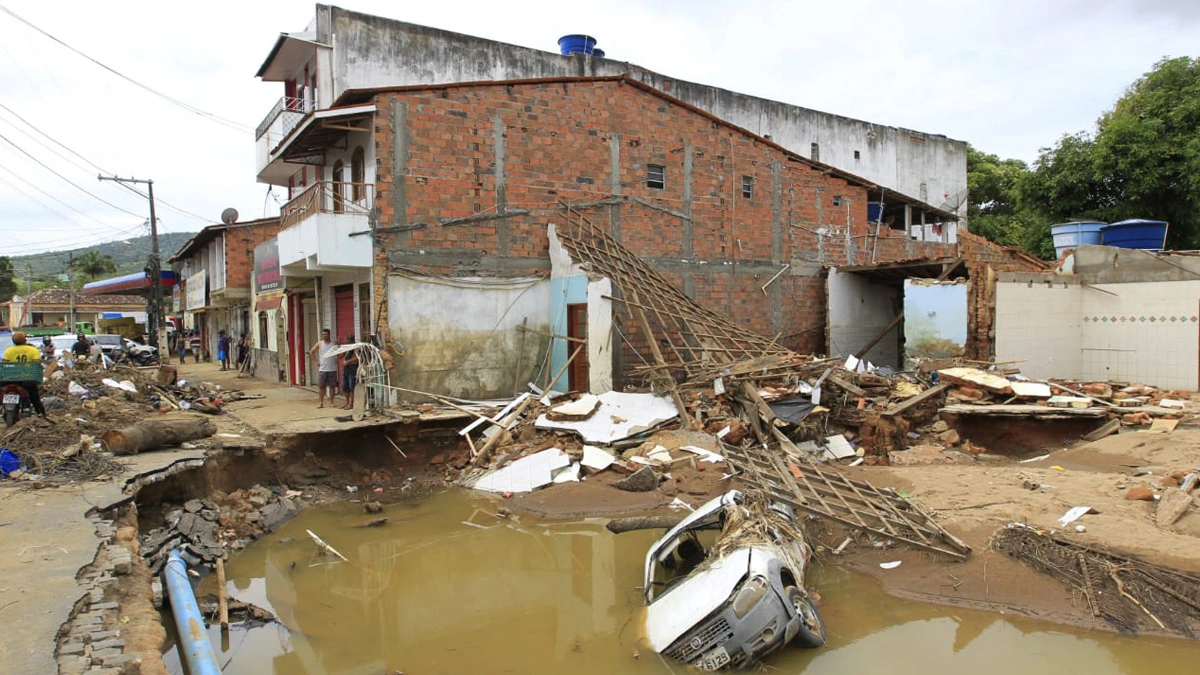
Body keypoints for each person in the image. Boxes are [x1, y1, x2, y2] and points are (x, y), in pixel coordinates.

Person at [2, 332, 48, 418]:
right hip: (27, 379)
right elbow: (37, 363)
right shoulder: (33, 350)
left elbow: (5, 363)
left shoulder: (9, 350)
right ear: (25, 340)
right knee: (35, 398)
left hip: (11, 378)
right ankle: (40, 414)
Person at [308, 329, 337, 408]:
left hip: (332, 368)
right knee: (321, 386)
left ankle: (331, 402)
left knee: (332, 386)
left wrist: (338, 358)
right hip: (323, 369)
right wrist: (316, 361)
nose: (325, 336)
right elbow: (311, 351)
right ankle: (321, 402)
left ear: (329, 335)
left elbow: (341, 350)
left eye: (326, 334)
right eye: (323, 334)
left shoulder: (333, 343)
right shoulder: (320, 344)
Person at [340, 334, 359, 410]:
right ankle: (347, 402)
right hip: (346, 369)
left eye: (348, 341)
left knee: (352, 386)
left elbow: (357, 358)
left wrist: (348, 362)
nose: (347, 342)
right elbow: (341, 356)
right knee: (345, 386)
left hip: (353, 369)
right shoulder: (347, 348)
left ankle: (352, 403)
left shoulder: (356, 348)